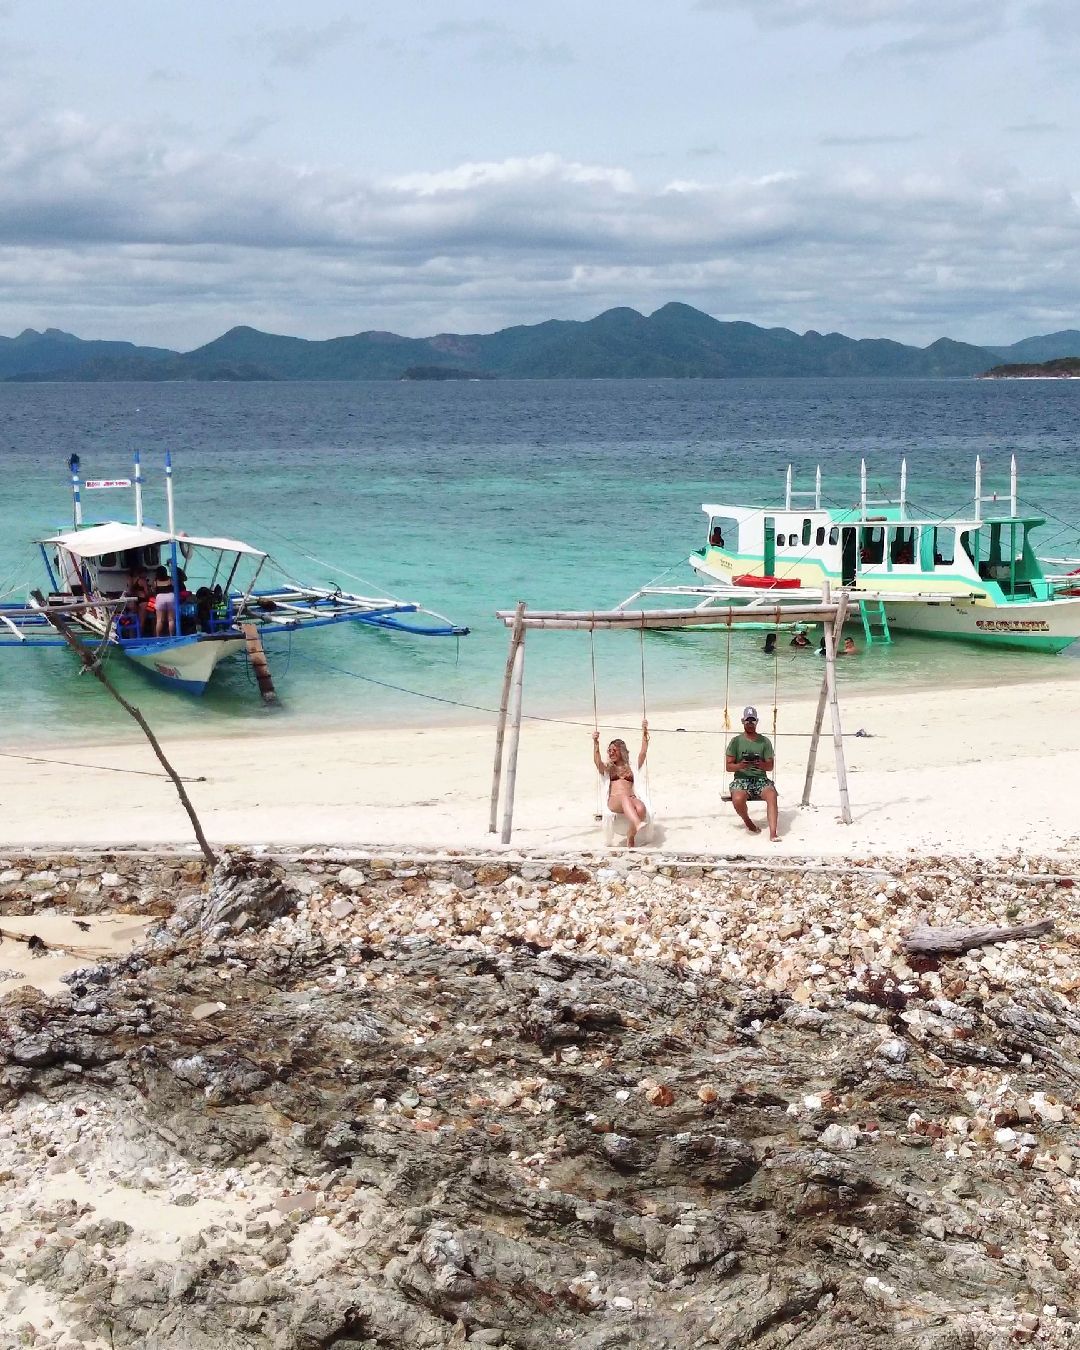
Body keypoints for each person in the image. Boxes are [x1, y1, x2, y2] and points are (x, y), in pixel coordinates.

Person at [726, 705, 780, 841]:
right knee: (738, 799)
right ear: (743, 721)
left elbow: (770, 766)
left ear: (757, 722)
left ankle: (773, 833)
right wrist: (741, 765)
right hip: (741, 779)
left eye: (753, 721)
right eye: (748, 721)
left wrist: (760, 764)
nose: (750, 724)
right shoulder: (736, 741)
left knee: (772, 795)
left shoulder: (764, 741)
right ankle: (748, 821)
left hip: (760, 779)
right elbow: (728, 767)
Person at [592, 722, 649, 847]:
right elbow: (597, 762)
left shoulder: (631, 767)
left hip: (631, 798)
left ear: (621, 751)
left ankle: (630, 834)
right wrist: (596, 743)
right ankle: (637, 824)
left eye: (614, 750)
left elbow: (643, 753)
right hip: (615, 800)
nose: (610, 753)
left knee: (641, 808)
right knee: (624, 798)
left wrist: (645, 732)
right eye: (609, 750)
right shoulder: (609, 768)